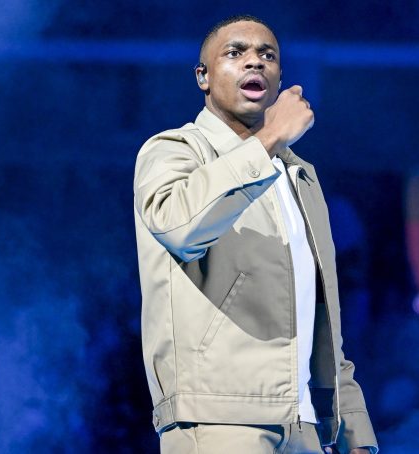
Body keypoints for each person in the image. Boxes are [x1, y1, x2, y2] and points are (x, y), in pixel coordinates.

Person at [133, 14, 378, 454]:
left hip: (306, 425)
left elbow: (320, 313)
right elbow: (179, 228)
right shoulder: (173, 150)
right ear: (203, 77)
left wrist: (352, 428)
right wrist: (269, 138)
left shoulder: (301, 176)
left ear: (280, 76)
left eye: (268, 55)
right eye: (235, 53)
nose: (255, 62)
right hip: (219, 416)